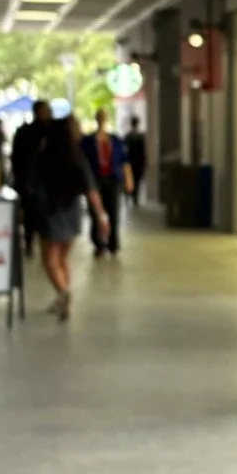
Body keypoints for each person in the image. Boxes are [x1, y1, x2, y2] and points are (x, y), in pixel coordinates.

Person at [30, 109, 109, 320]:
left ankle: (63, 292)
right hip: (72, 214)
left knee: (49, 259)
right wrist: (101, 216)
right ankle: (62, 296)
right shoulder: (77, 158)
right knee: (63, 258)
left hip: (49, 213)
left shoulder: (43, 157)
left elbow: (31, 186)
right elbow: (91, 189)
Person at [81, 107, 132, 258]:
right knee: (96, 212)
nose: (101, 120)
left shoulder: (115, 140)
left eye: (104, 117)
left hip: (113, 180)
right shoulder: (87, 141)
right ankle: (98, 243)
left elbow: (124, 161)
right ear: (96, 119)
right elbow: (82, 162)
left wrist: (128, 178)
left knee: (113, 211)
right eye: (99, 117)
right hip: (94, 181)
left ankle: (113, 243)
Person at [10, 100, 53, 258]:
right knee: (40, 213)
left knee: (30, 213)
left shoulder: (25, 131)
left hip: (30, 180)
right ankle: (39, 243)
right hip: (40, 180)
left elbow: (15, 158)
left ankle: (30, 242)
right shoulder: (50, 132)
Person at [125, 115, 148, 206]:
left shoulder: (129, 136)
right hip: (137, 161)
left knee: (132, 179)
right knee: (136, 180)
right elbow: (143, 151)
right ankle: (134, 198)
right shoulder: (140, 136)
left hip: (132, 161)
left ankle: (130, 196)